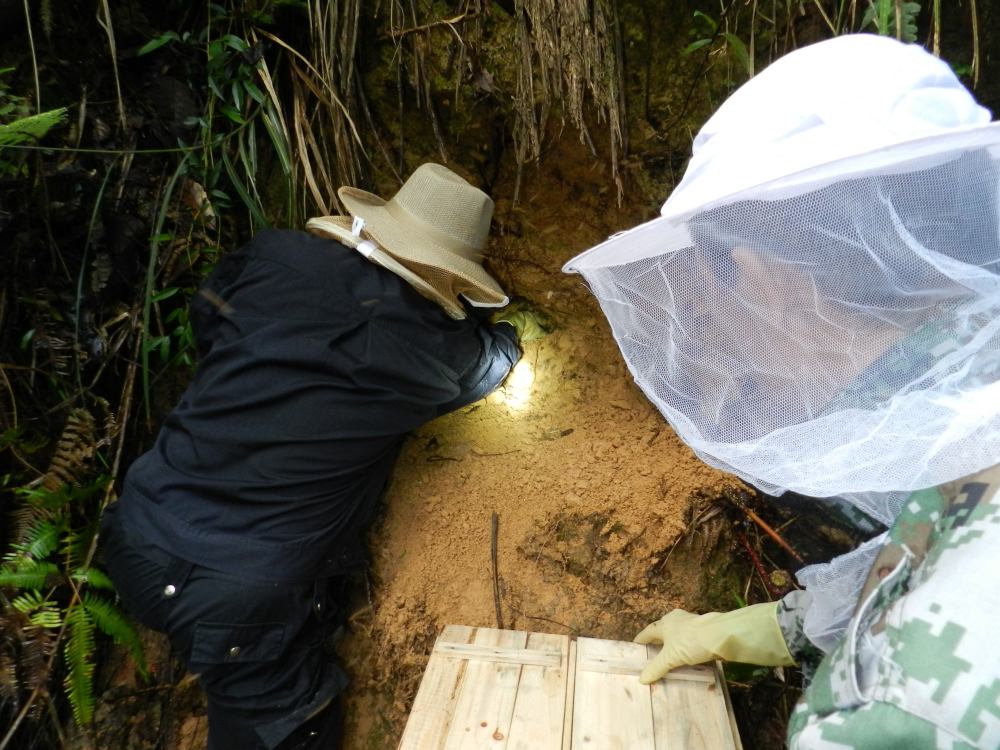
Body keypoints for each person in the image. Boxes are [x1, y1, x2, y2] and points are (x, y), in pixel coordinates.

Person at [564, 35, 1000, 748]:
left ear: (766, 270)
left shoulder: (916, 697)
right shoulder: (972, 432)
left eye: (710, 275)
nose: (704, 317)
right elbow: (919, 546)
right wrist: (764, 626)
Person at [99, 163, 538, 750]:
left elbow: (209, 319)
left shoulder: (274, 258)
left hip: (138, 535)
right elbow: (496, 359)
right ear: (450, 277)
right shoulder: (431, 355)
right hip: (239, 601)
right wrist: (479, 323)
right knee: (289, 726)